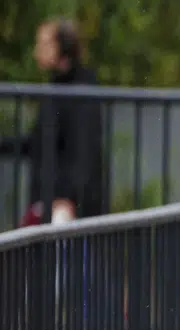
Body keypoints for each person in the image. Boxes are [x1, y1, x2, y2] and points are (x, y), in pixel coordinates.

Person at [0, 19, 104, 225]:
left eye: (44, 45)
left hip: (67, 209)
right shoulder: (55, 88)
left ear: (62, 48)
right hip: (48, 202)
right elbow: (39, 142)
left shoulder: (81, 90)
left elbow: (84, 149)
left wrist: (68, 197)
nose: (37, 52)